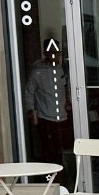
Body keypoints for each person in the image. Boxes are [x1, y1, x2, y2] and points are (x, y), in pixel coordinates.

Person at [24, 42, 74, 178]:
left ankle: (63, 175)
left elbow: (67, 87)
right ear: (45, 54)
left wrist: (69, 102)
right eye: (52, 52)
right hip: (45, 117)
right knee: (50, 150)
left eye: (57, 53)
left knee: (62, 149)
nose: (55, 56)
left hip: (63, 117)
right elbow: (29, 93)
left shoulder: (62, 70)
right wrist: (31, 112)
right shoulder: (37, 72)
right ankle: (52, 177)